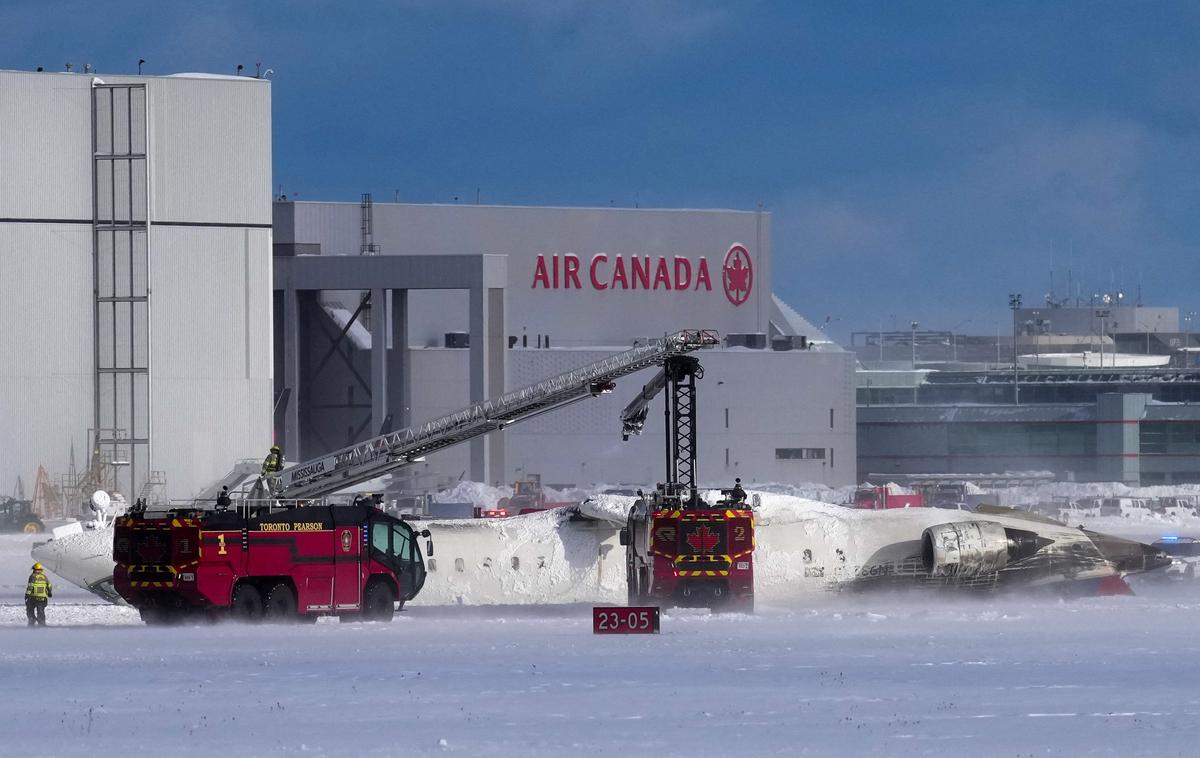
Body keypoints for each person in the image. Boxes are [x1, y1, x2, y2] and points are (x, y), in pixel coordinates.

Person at [25, 562, 52, 627]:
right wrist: (49, 592)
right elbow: (49, 585)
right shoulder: (44, 577)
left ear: (34, 569)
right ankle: (42, 623)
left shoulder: (32, 576)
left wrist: (27, 595)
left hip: (34, 597)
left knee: (30, 610)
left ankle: (32, 621)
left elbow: (30, 586)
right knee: (41, 611)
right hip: (43, 598)